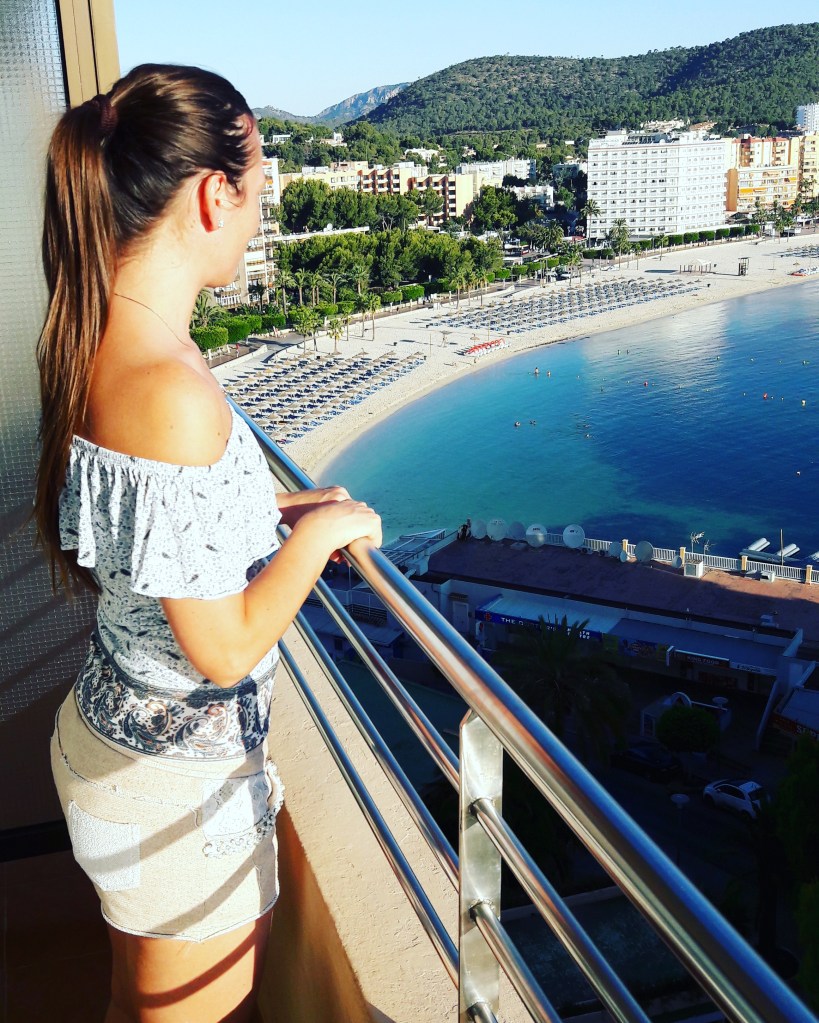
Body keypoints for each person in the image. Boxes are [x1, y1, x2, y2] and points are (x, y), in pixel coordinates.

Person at [34, 64, 381, 1023]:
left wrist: (281, 510)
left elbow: (164, 524)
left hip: (122, 749)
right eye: (259, 185)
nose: (261, 209)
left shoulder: (106, 337)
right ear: (211, 195)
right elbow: (222, 647)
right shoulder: (170, 386)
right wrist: (323, 535)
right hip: (172, 789)